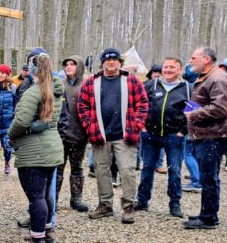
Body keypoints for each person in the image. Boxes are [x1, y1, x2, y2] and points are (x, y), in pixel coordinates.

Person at [77, 47, 148, 224]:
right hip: (100, 134)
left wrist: (137, 124)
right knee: (101, 170)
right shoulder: (92, 82)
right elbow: (82, 105)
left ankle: (128, 206)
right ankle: (105, 204)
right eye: (107, 60)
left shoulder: (130, 80)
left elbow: (142, 103)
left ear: (119, 62)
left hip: (125, 135)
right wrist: (89, 124)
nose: (111, 62)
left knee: (127, 170)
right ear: (103, 62)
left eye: (115, 59)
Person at [7, 53, 64, 243]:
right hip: (52, 149)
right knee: (45, 193)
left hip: (35, 152)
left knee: (36, 197)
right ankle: (45, 232)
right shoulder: (55, 91)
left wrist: (11, 134)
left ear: (32, 70)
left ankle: (37, 242)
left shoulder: (33, 93)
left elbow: (21, 121)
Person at [183, 47, 227, 230]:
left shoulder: (218, 78)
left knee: (209, 177)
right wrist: (186, 109)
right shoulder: (207, 77)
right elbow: (204, 102)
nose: (190, 61)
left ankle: (209, 218)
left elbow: (221, 108)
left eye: (193, 57)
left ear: (206, 59)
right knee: (207, 177)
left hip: (214, 135)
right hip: (206, 134)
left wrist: (194, 114)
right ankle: (207, 213)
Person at [133, 57, 190, 218]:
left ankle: (175, 203)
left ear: (180, 70)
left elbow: (194, 111)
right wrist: (142, 127)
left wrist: (182, 131)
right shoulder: (152, 85)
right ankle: (142, 201)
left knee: (175, 170)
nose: (168, 70)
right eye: (166, 67)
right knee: (147, 169)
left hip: (174, 136)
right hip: (150, 134)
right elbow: (138, 104)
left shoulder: (187, 88)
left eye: (172, 67)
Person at [56, 55, 89, 211]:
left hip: (79, 135)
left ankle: (76, 198)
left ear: (79, 67)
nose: (68, 67)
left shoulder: (86, 86)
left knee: (77, 168)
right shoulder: (59, 85)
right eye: (66, 64)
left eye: (72, 64)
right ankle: (52, 199)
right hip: (60, 136)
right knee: (57, 168)